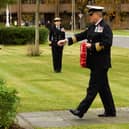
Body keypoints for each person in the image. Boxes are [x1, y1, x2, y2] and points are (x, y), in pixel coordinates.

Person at [58, 5, 116, 118]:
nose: (89, 17)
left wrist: (92, 46)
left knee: (92, 88)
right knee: (103, 88)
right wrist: (66, 41)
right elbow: (82, 35)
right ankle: (110, 111)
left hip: (101, 63)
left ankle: (80, 110)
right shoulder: (92, 27)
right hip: (95, 63)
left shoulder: (105, 27)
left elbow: (107, 43)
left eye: (91, 14)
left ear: (97, 15)